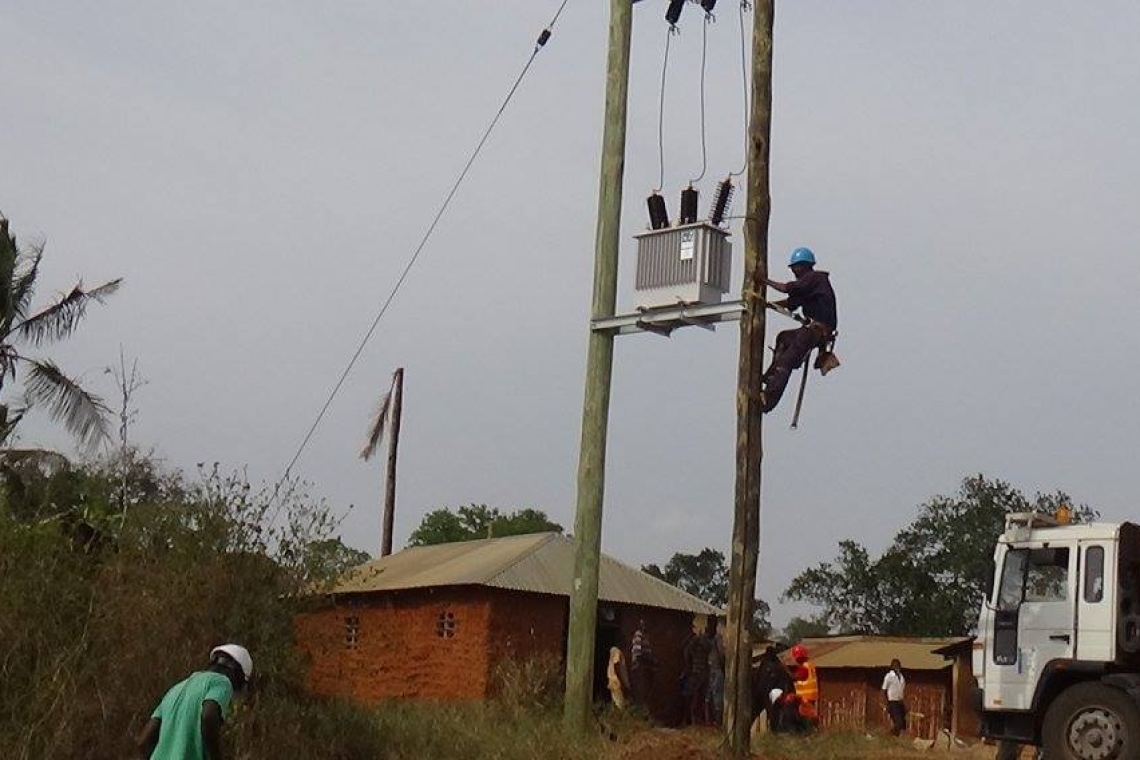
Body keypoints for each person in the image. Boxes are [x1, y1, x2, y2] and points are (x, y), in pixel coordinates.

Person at [136, 644, 253, 760]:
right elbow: (208, 715)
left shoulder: (176, 689)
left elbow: (143, 742)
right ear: (238, 675)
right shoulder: (222, 682)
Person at [761, 247, 839, 413]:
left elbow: (787, 288)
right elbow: (791, 303)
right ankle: (771, 376)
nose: (794, 272)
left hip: (817, 331)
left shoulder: (815, 278)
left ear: (804, 266)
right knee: (784, 338)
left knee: (786, 362)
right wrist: (766, 304)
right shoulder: (809, 286)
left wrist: (763, 280)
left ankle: (767, 400)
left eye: (795, 268)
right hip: (813, 330)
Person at [681, 620, 712, 725]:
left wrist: (688, 665)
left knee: (693, 696)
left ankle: (692, 720)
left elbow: (686, 652)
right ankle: (694, 720)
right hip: (701, 673)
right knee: (698, 697)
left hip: (696, 672)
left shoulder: (696, 640)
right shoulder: (706, 642)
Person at [789, 643, 819, 727]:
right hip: (810, 697)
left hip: (804, 698)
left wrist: (785, 672)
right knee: (810, 716)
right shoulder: (810, 666)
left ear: (797, 657)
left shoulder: (804, 668)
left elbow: (795, 677)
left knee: (805, 720)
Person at [629, 620, 656, 708]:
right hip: (639, 667)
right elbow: (638, 655)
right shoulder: (638, 635)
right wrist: (650, 661)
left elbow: (647, 652)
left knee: (647, 690)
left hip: (645, 667)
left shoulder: (646, 636)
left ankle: (643, 709)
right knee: (640, 690)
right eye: (643, 625)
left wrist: (653, 661)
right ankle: (638, 710)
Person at [706, 619, 726, 725]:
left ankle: (709, 720)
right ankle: (718, 721)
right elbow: (722, 654)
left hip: (708, 670)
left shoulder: (705, 638)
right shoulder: (717, 638)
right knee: (717, 697)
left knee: (709, 697)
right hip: (716, 669)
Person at [882, 658, 907, 737]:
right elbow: (884, 689)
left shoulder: (901, 676)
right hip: (892, 701)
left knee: (903, 723)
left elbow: (902, 689)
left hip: (900, 701)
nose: (897, 667)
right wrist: (885, 702)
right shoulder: (889, 676)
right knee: (898, 722)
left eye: (898, 666)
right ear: (892, 667)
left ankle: (896, 737)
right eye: (895, 666)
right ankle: (889, 735)